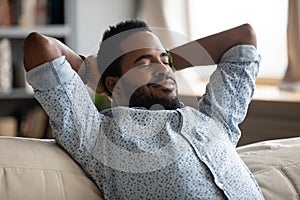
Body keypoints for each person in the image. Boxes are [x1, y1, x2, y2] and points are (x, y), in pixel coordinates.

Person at [23, 20, 264, 199]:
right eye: (143, 63)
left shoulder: (212, 120)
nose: (164, 70)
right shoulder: (99, 136)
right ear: (112, 83)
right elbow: (40, 46)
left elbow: (243, 37)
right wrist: (91, 71)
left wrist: (163, 62)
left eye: (166, 60)